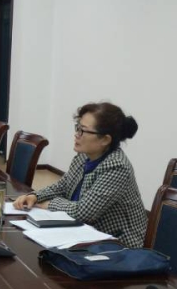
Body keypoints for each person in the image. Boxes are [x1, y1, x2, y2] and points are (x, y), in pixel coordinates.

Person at [13, 102, 147, 248]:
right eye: (78, 127)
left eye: (83, 130)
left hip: (117, 245)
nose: (77, 134)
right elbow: (63, 186)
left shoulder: (117, 167)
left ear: (105, 139)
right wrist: (35, 196)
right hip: (83, 232)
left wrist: (48, 204)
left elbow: (83, 212)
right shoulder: (84, 156)